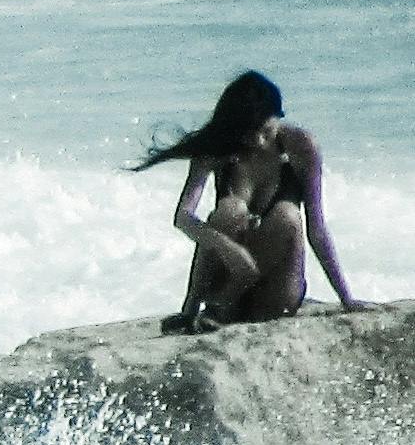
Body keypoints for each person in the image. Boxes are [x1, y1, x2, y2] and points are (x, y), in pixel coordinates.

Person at [135, 70, 366, 331]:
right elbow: (183, 216)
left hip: (275, 295)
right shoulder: (218, 148)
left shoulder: (301, 146)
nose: (258, 140)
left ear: (279, 117)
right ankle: (204, 309)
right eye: (249, 132)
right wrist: (228, 248)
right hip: (223, 285)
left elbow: (317, 228)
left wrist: (346, 298)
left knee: (287, 216)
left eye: (266, 130)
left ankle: (219, 309)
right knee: (229, 211)